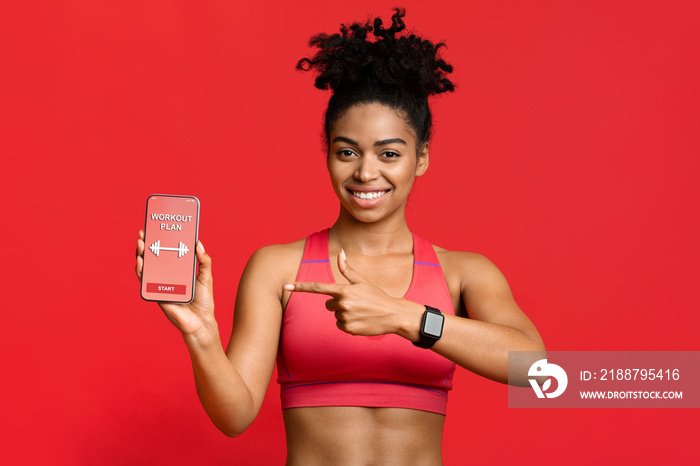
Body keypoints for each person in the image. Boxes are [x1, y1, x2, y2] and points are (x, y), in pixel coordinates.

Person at [135, 8, 545, 465]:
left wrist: (406, 317)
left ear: (421, 157)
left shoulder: (463, 272)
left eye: (389, 153)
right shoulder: (277, 267)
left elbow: (535, 367)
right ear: (327, 152)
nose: (366, 172)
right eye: (347, 151)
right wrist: (202, 335)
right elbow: (234, 416)